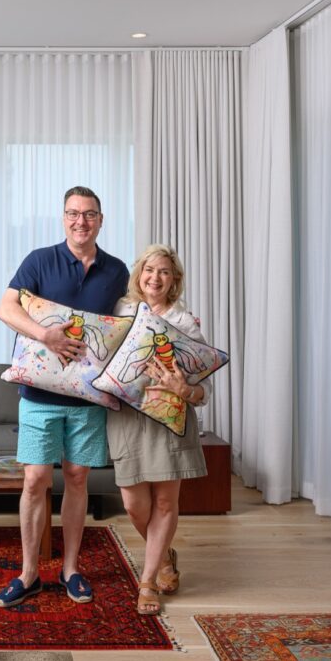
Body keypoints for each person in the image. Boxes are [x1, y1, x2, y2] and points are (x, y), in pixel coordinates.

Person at [0, 186, 129, 607]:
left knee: (76, 478)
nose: (80, 222)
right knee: (35, 479)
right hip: (37, 394)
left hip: (87, 399)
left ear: (101, 220)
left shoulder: (117, 271)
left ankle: (71, 569)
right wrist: (45, 335)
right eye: (73, 214)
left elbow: (129, 326)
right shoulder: (39, 260)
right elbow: (6, 308)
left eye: (89, 215)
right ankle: (29, 573)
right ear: (63, 217)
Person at [106, 244, 212, 614]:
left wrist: (186, 389)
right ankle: (165, 556)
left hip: (170, 417)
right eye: (150, 270)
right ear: (139, 275)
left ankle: (148, 581)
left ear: (174, 280)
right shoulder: (121, 311)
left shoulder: (185, 323)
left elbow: (203, 387)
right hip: (127, 418)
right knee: (135, 505)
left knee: (166, 502)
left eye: (164, 272)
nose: (155, 278)